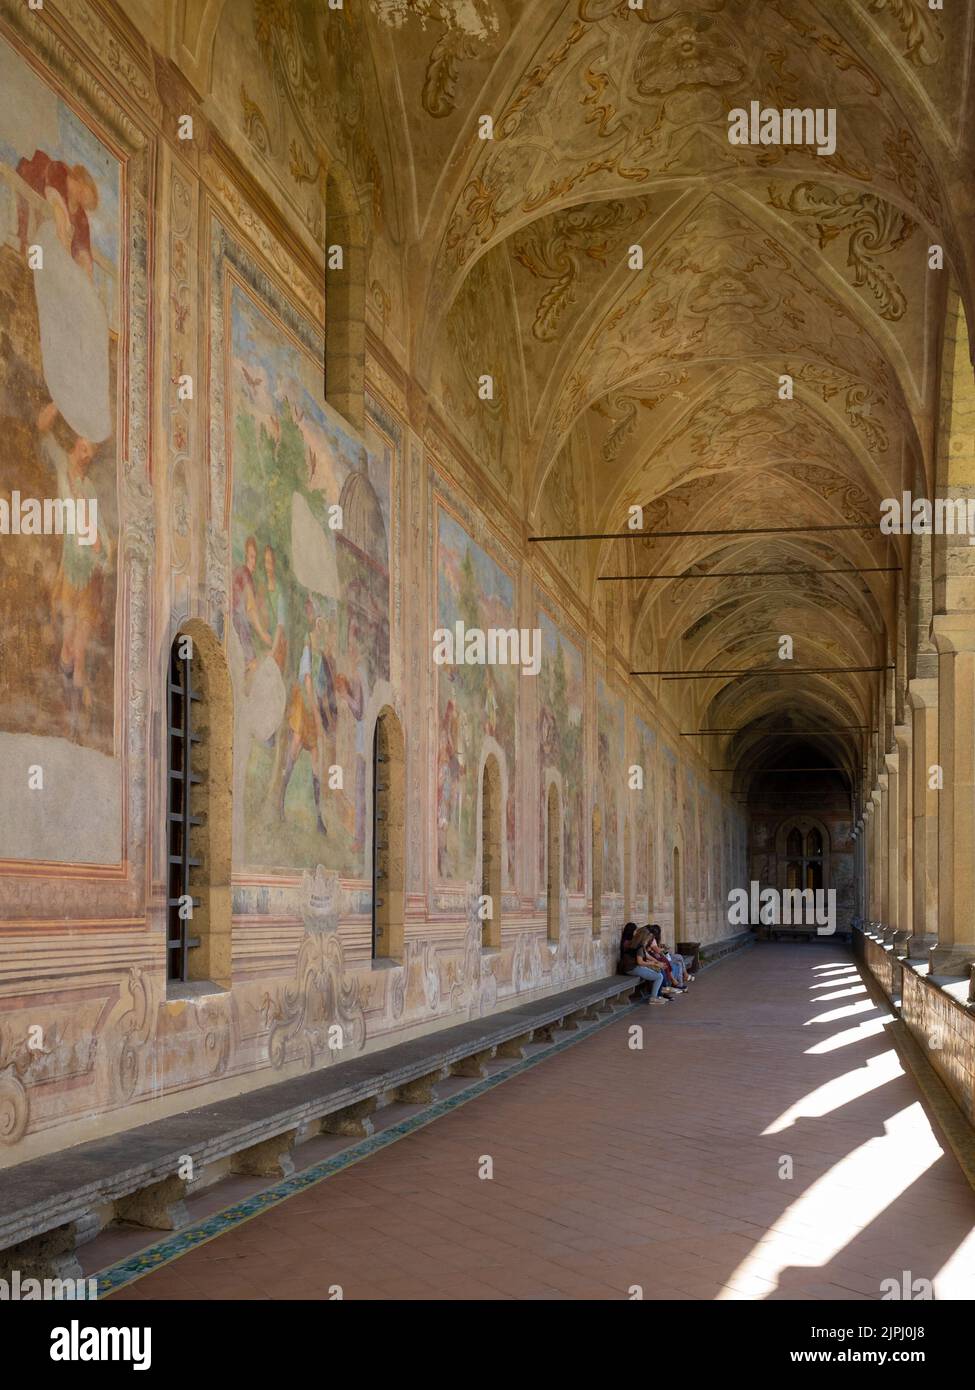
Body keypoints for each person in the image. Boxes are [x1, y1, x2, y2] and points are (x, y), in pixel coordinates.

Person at [618, 923, 668, 1005]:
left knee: (658, 972)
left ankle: (657, 994)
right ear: (644, 937)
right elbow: (640, 962)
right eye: (648, 938)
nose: (649, 940)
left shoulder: (635, 944)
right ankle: (653, 998)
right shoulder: (639, 947)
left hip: (630, 967)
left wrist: (658, 962)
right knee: (659, 977)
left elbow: (647, 956)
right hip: (632, 968)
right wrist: (654, 964)